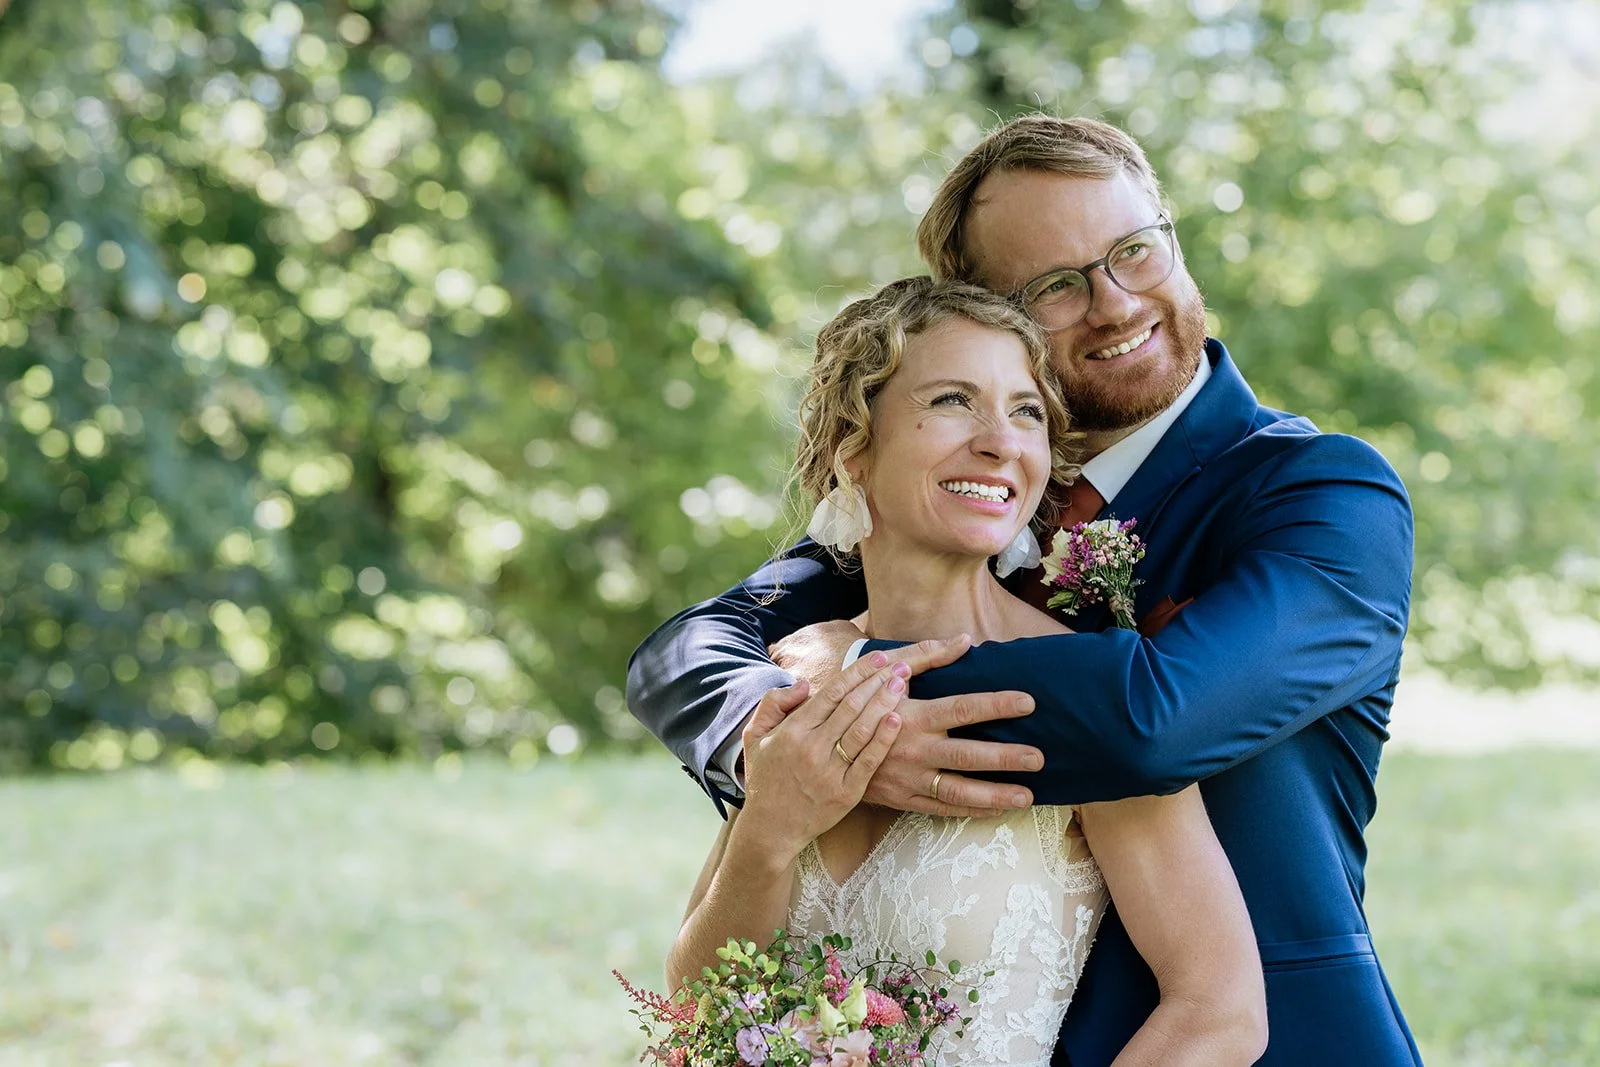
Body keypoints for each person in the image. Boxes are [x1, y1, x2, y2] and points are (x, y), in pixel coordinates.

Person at [630, 115, 1420, 1066]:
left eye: (1134, 249)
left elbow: (1151, 721)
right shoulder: (944, 503)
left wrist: (862, 690)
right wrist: (785, 737)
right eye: (1054, 284)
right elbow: (688, 649)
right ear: (989, 317)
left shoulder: (1321, 493)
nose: (1116, 302)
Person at [664, 278, 1265, 1067]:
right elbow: (693, 1008)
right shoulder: (802, 669)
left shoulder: (1088, 687)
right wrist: (768, 832)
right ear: (855, 453)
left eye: (1025, 411)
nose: (1001, 441)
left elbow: (1219, 1009)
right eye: (954, 399)